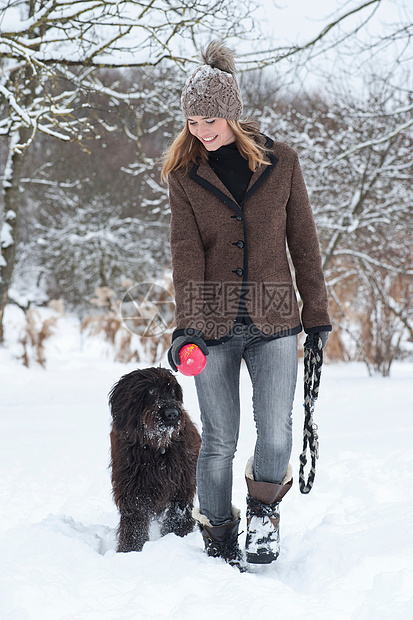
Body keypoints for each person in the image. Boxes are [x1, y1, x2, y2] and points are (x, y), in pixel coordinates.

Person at [162, 41, 331, 570]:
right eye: (192, 121)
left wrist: (317, 312)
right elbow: (186, 255)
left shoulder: (282, 164)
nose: (201, 130)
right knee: (219, 439)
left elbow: (303, 240)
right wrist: (185, 328)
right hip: (211, 323)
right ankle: (218, 533)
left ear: (232, 113)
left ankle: (264, 516)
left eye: (209, 119)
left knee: (276, 430)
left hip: (276, 317)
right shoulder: (185, 177)